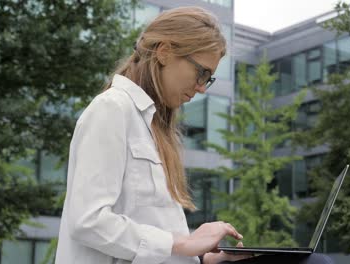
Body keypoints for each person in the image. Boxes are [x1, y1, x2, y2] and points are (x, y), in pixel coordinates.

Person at [55, 6, 334, 264]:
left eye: (208, 78)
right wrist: (181, 244)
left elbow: (156, 236)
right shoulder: (112, 109)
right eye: (201, 73)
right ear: (164, 51)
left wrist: (203, 255)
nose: (202, 88)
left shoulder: (155, 126)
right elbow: (88, 221)